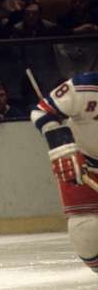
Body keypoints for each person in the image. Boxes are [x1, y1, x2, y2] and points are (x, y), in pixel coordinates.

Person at [30, 72, 98, 274]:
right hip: (84, 167)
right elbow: (41, 112)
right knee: (85, 233)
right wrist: (62, 147)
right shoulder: (82, 87)